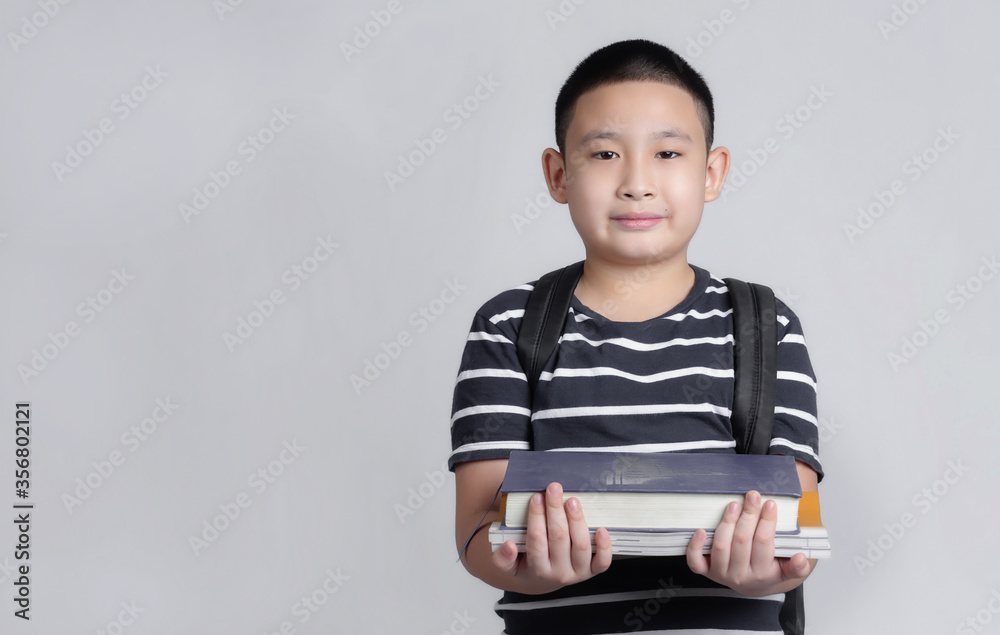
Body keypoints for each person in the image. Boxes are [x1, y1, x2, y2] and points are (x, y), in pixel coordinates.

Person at [448, 38, 824, 634]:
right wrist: (534, 568)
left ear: (712, 172)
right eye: (603, 155)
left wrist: (765, 571)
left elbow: (796, 531)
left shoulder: (766, 328)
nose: (637, 183)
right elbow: (476, 530)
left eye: (669, 152)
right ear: (557, 174)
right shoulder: (509, 325)